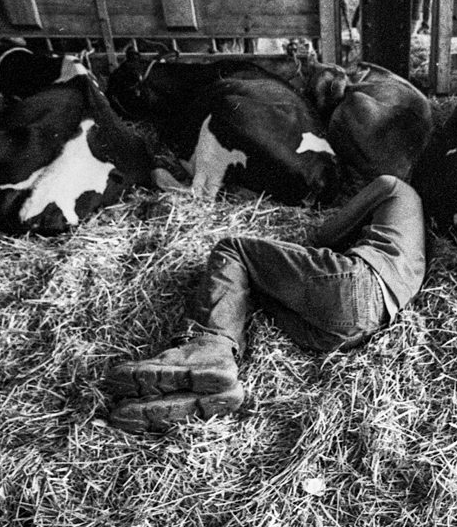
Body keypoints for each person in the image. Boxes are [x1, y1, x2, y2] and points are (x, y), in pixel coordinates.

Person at [105, 175, 427, 433]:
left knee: (234, 251)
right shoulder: (419, 245)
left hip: (354, 287)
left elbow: (328, 233)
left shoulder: (399, 187)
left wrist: (307, 244)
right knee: (250, 286)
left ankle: (206, 347)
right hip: (353, 332)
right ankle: (220, 383)